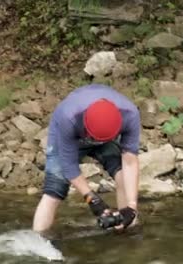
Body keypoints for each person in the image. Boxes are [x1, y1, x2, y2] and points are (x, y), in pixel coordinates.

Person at [32, 84, 141, 235]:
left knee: (122, 175)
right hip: (69, 135)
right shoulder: (68, 117)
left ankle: (126, 227)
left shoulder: (130, 115)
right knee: (53, 191)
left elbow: (129, 160)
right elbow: (69, 166)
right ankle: (38, 239)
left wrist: (132, 206)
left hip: (105, 134)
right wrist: (91, 198)